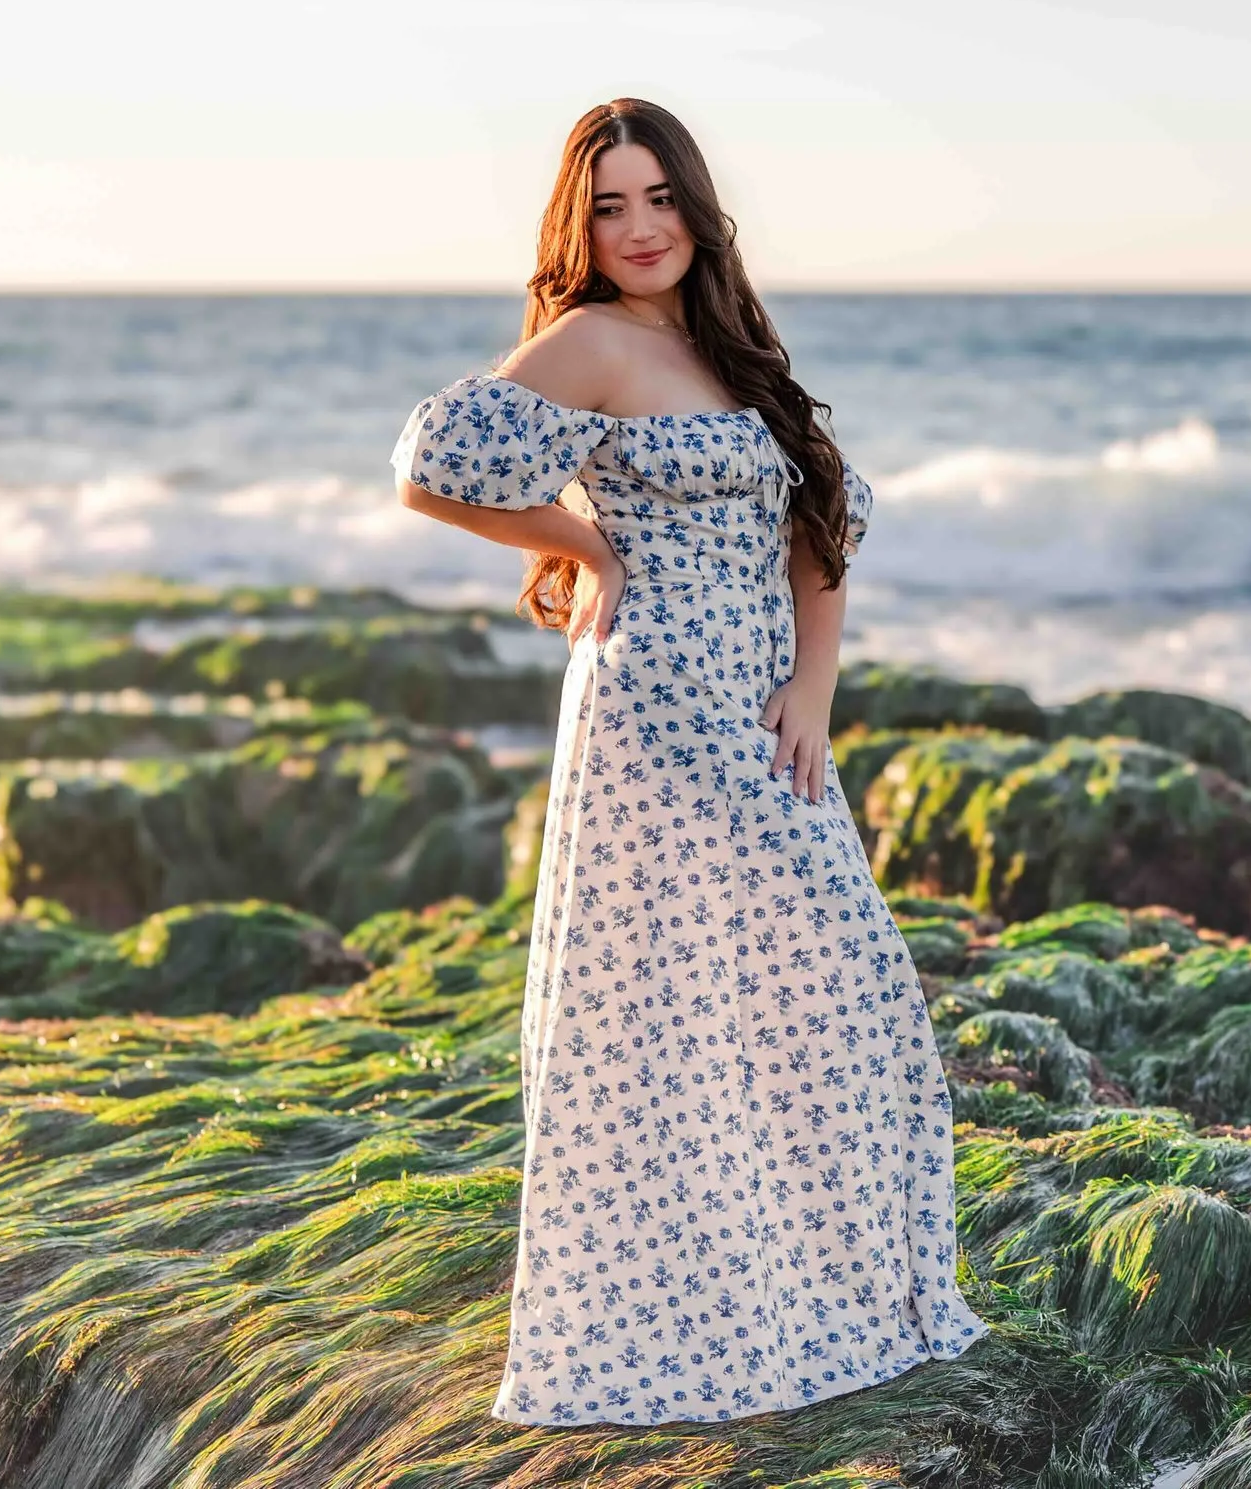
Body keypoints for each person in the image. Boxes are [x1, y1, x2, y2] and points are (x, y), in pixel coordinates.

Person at [389, 97, 987, 1426]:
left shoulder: (736, 346)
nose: (641, 226)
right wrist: (585, 544)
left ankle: (811, 1285)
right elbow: (429, 465)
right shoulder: (590, 342)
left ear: (697, 206)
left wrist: (815, 688)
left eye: (659, 197)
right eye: (610, 205)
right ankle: (684, 1316)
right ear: (580, 227)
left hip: (763, 716)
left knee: (834, 995)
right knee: (665, 1023)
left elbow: (820, 525)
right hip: (651, 713)